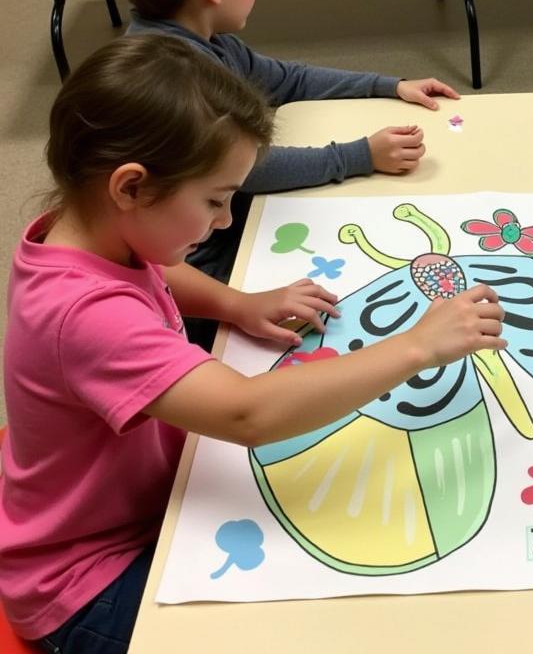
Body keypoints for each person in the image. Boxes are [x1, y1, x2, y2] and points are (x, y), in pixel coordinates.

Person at [0, 35, 505, 652]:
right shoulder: (82, 312)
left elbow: (154, 269)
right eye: (214, 201)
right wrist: (418, 346)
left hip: (149, 504)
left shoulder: (88, 231)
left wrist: (236, 303)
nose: (223, 222)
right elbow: (249, 413)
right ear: (129, 187)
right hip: (86, 579)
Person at [101, 0, 461, 286]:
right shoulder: (174, 78)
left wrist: (388, 84)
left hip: (217, 223)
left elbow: (290, 80)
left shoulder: (212, 43)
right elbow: (249, 170)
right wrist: (359, 156)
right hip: (201, 263)